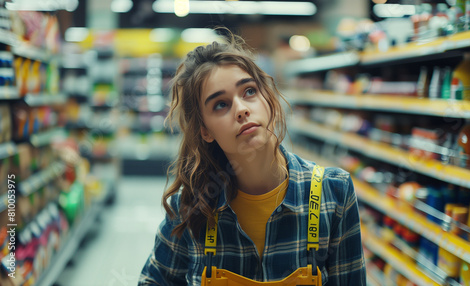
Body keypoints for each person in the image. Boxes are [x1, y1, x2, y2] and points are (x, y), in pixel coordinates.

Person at [139, 30, 366, 285]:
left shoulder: (333, 193)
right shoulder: (191, 209)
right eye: (220, 105)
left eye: (249, 91)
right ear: (205, 131)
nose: (241, 109)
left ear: (268, 99)